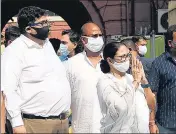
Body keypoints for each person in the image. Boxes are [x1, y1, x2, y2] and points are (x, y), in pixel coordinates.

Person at [1, 6, 71, 133]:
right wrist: (17, 124)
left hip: (61, 122)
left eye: (48, 22)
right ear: (29, 29)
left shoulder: (47, 45)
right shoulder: (15, 51)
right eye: (43, 23)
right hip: (35, 124)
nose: (48, 26)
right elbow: (8, 91)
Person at [64, 22, 104, 133]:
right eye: (94, 36)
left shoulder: (111, 63)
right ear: (83, 40)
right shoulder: (71, 65)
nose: (99, 38)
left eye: (100, 35)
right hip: (83, 128)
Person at [121, 39, 158, 133]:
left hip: (146, 115)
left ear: (129, 50)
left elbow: (153, 96)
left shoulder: (149, 63)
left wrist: (152, 122)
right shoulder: (121, 68)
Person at [148, 25, 176, 133]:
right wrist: (151, 122)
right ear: (170, 43)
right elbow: (151, 95)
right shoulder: (159, 64)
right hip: (167, 124)